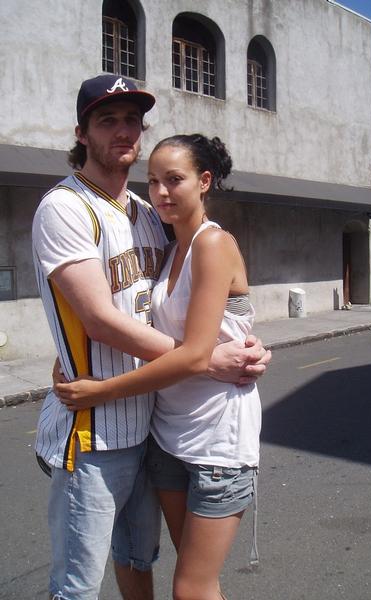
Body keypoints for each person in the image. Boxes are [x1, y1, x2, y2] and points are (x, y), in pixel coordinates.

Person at [32, 75, 270, 600]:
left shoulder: (147, 214)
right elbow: (99, 318)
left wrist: (245, 343)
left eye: (132, 120)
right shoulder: (65, 208)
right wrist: (208, 360)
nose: (123, 131)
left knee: (138, 558)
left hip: (154, 428)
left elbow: (195, 303)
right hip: (96, 432)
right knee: (76, 586)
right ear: (81, 132)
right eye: (107, 120)